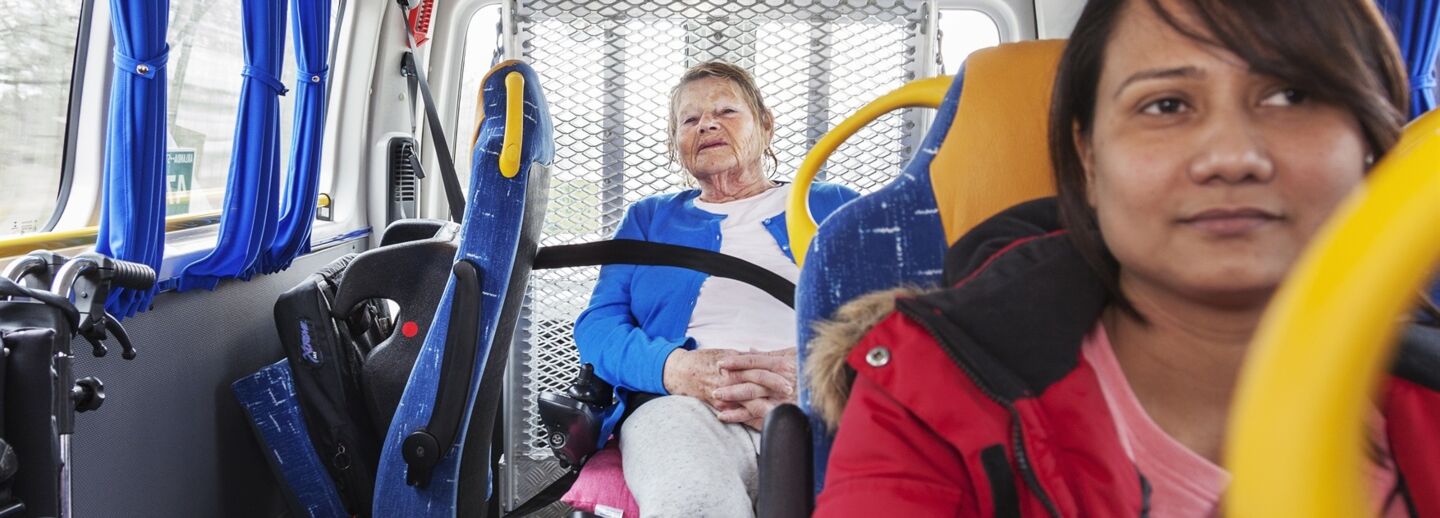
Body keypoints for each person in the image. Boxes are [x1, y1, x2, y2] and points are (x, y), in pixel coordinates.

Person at [809, 0, 1440, 515]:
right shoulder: (930, 400)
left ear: (1372, 143)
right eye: (1166, 105)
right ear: (1088, 156)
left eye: (1292, 97)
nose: (1231, 155)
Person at [573, 62, 858, 516]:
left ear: (765, 125)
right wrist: (675, 369)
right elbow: (597, 327)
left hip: (824, 404)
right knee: (693, 500)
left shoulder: (834, 205)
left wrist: (825, 373)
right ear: (676, 144)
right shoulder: (648, 219)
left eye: (726, 109)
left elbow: (903, 313)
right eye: (689, 120)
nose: (707, 123)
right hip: (685, 408)